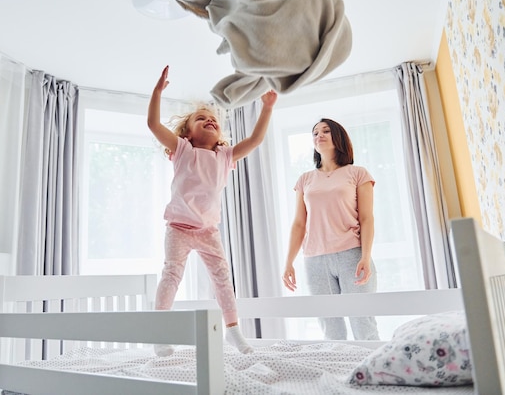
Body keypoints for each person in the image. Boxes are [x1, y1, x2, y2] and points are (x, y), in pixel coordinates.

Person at [147, 65, 277, 356]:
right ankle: (159, 332)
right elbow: (154, 126)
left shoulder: (225, 155)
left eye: (213, 119)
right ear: (188, 133)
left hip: (208, 230)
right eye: (201, 118)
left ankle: (233, 331)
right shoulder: (183, 150)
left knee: (223, 278)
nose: (209, 120)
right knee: (171, 275)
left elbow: (255, 141)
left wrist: (266, 107)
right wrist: (157, 93)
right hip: (179, 228)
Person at [282, 118, 379, 340]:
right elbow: (299, 224)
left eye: (325, 131)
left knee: (363, 324)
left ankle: (373, 374)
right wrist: (289, 262)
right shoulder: (305, 179)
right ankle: (339, 374)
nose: (319, 135)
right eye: (315, 133)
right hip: (315, 260)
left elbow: (367, 218)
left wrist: (365, 256)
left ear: (338, 137)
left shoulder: (358, 173)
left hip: (351, 255)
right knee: (331, 329)